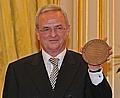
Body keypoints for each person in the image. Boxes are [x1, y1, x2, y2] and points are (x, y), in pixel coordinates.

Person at [2, 4, 112, 98]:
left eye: (59, 28)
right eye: (46, 29)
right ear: (37, 33)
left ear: (67, 30)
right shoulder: (18, 70)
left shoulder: (85, 65)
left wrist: (94, 69)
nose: (53, 34)